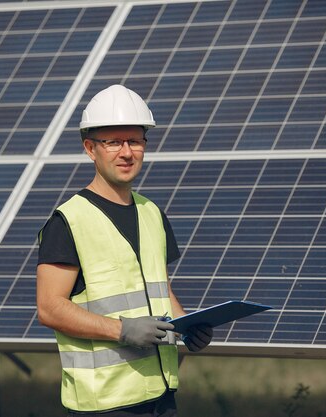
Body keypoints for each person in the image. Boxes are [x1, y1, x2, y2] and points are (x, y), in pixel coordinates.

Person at [36, 84, 213, 416]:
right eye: (113, 142)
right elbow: (49, 308)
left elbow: (159, 292)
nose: (127, 152)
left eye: (134, 141)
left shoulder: (152, 213)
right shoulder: (69, 220)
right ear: (91, 149)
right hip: (105, 404)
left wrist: (187, 327)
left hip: (160, 396)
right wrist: (122, 329)